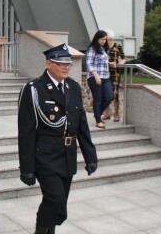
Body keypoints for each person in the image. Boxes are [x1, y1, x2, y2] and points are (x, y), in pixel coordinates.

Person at [18, 44, 98, 234]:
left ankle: (48, 231)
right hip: (45, 155)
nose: (66, 67)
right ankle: (40, 231)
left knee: (58, 205)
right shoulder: (34, 89)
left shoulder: (73, 87)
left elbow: (82, 126)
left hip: (67, 155)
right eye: (60, 63)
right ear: (48, 63)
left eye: (68, 64)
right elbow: (26, 133)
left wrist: (91, 156)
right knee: (56, 199)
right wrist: (26, 168)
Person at [85, 30, 113, 129]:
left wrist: (110, 63)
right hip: (94, 77)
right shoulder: (91, 49)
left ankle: (97, 113)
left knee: (109, 97)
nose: (104, 41)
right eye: (102, 39)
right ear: (97, 39)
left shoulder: (102, 49)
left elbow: (100, 61)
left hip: (105, 77)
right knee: (98, 99)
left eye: (105, 39)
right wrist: (96, 75)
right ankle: (98, 120)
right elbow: (89, 63)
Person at [102, 30, 126, 122]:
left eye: (108, 39)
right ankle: (107, 113)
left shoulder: (117, 46)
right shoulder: (103, 47)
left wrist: (121, 62)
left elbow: (124, 57)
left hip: (115, 74)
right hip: (104, 73)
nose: (107, 41)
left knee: (115, 94)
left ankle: (116, 114)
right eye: (106, 39)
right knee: (105, 94)